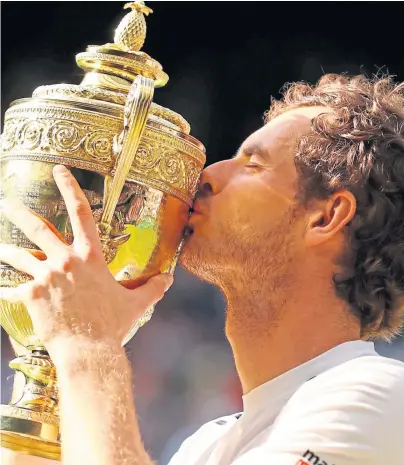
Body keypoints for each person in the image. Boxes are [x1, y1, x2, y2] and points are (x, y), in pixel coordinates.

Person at [1, 73, 404, 465]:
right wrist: (47, 365)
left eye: (252, 164)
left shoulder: (376, 394)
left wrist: (87, 339)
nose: (208, 175)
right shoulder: (207, 445)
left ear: (326, 216)